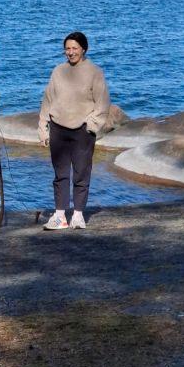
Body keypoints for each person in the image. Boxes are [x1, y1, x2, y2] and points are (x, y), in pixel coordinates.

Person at [39, 32, 112, 231]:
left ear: (83, 49)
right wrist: (43, 127)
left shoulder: (94, 72)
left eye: (75, 48)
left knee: (81, 172)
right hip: (57, 128)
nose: (71, 52)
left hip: (82, 131)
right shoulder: (58, 71)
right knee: (60, 173)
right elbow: (47, 100)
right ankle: (60, 215)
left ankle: (78, 214)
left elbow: (103, 103)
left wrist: (92, 125)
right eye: (68, 49)